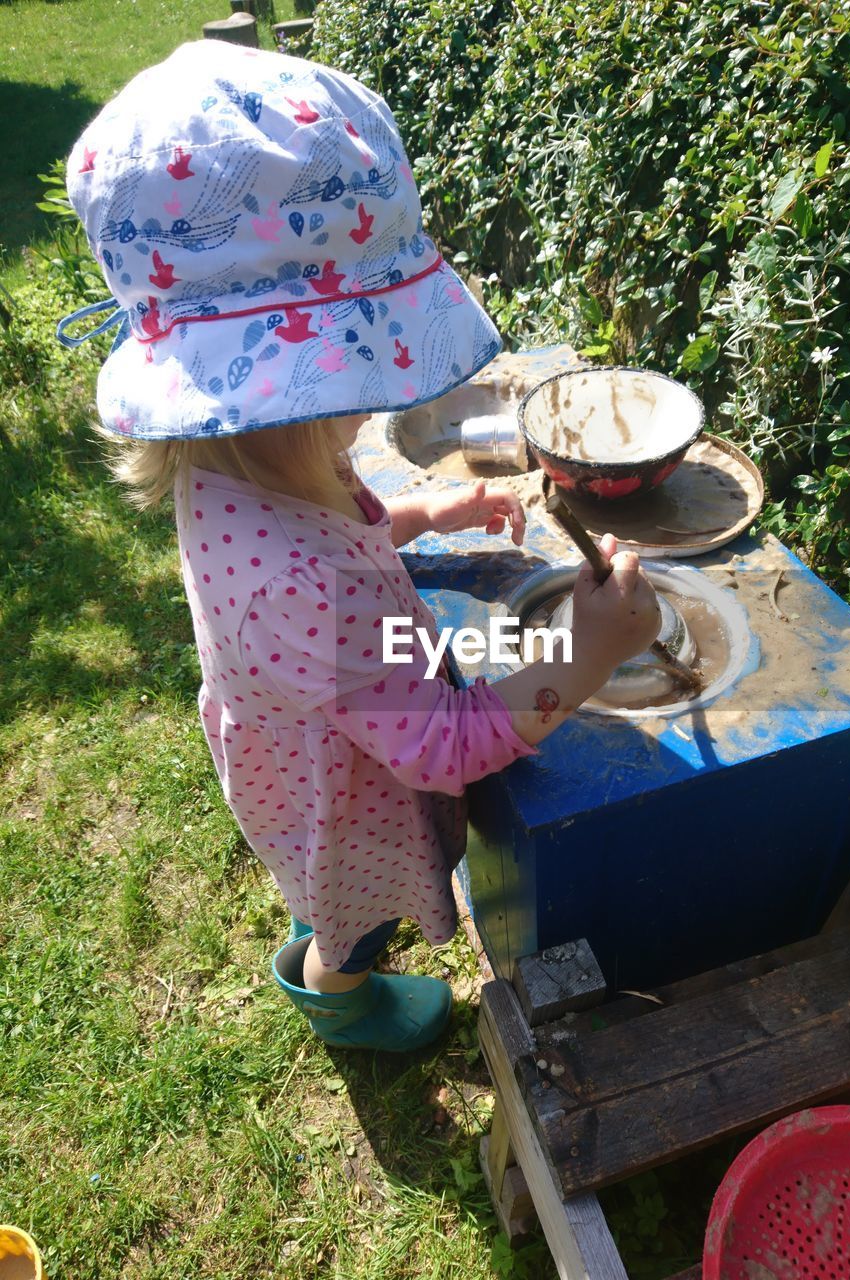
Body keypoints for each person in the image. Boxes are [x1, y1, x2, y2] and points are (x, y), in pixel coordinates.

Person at [58, 40, 661, 1052]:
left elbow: (357, 528)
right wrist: (586, 650)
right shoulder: (304, 586)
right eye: (352, 385)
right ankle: (337, 990)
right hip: (345, 792)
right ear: (282, 401)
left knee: (317, 879)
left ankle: (319, 936)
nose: (373, 404)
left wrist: (433, 516)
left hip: (306, 739)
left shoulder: (235, 466)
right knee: (354, 912)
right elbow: (448, 741)